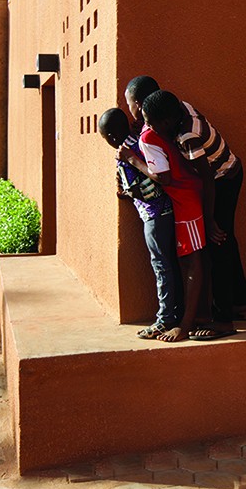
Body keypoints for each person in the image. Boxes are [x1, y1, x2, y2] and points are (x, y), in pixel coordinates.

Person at [124, 76, 246, 339]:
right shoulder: (176, 108)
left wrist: (208, 221)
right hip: (216, 178)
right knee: (226, 241)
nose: (146, 125)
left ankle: (224, 320)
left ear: (166, 120)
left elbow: (207, 179)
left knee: (218, 244)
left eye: (150, 122)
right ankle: (243, 303)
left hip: (223, 178)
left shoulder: (186, 135)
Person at [120, 90, 212, 342]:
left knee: (193, 263)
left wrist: (132, 159)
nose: (147, 125)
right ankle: (195, 317)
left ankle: (189, 322)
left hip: (187, 203)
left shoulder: (149, 137)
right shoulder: (155, 132)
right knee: (187, 262)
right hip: (182, 202)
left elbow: (165, 177)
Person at [99, 107, 182, 340]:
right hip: (169, 210)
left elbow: (145, 190)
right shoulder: (140, 139)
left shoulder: (125, 153)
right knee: (171, 264)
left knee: (161, 267)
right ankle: (175, 313)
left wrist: (127, 191)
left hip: (154, 215)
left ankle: (165, 319)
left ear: (112, 138)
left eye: (105, 139)